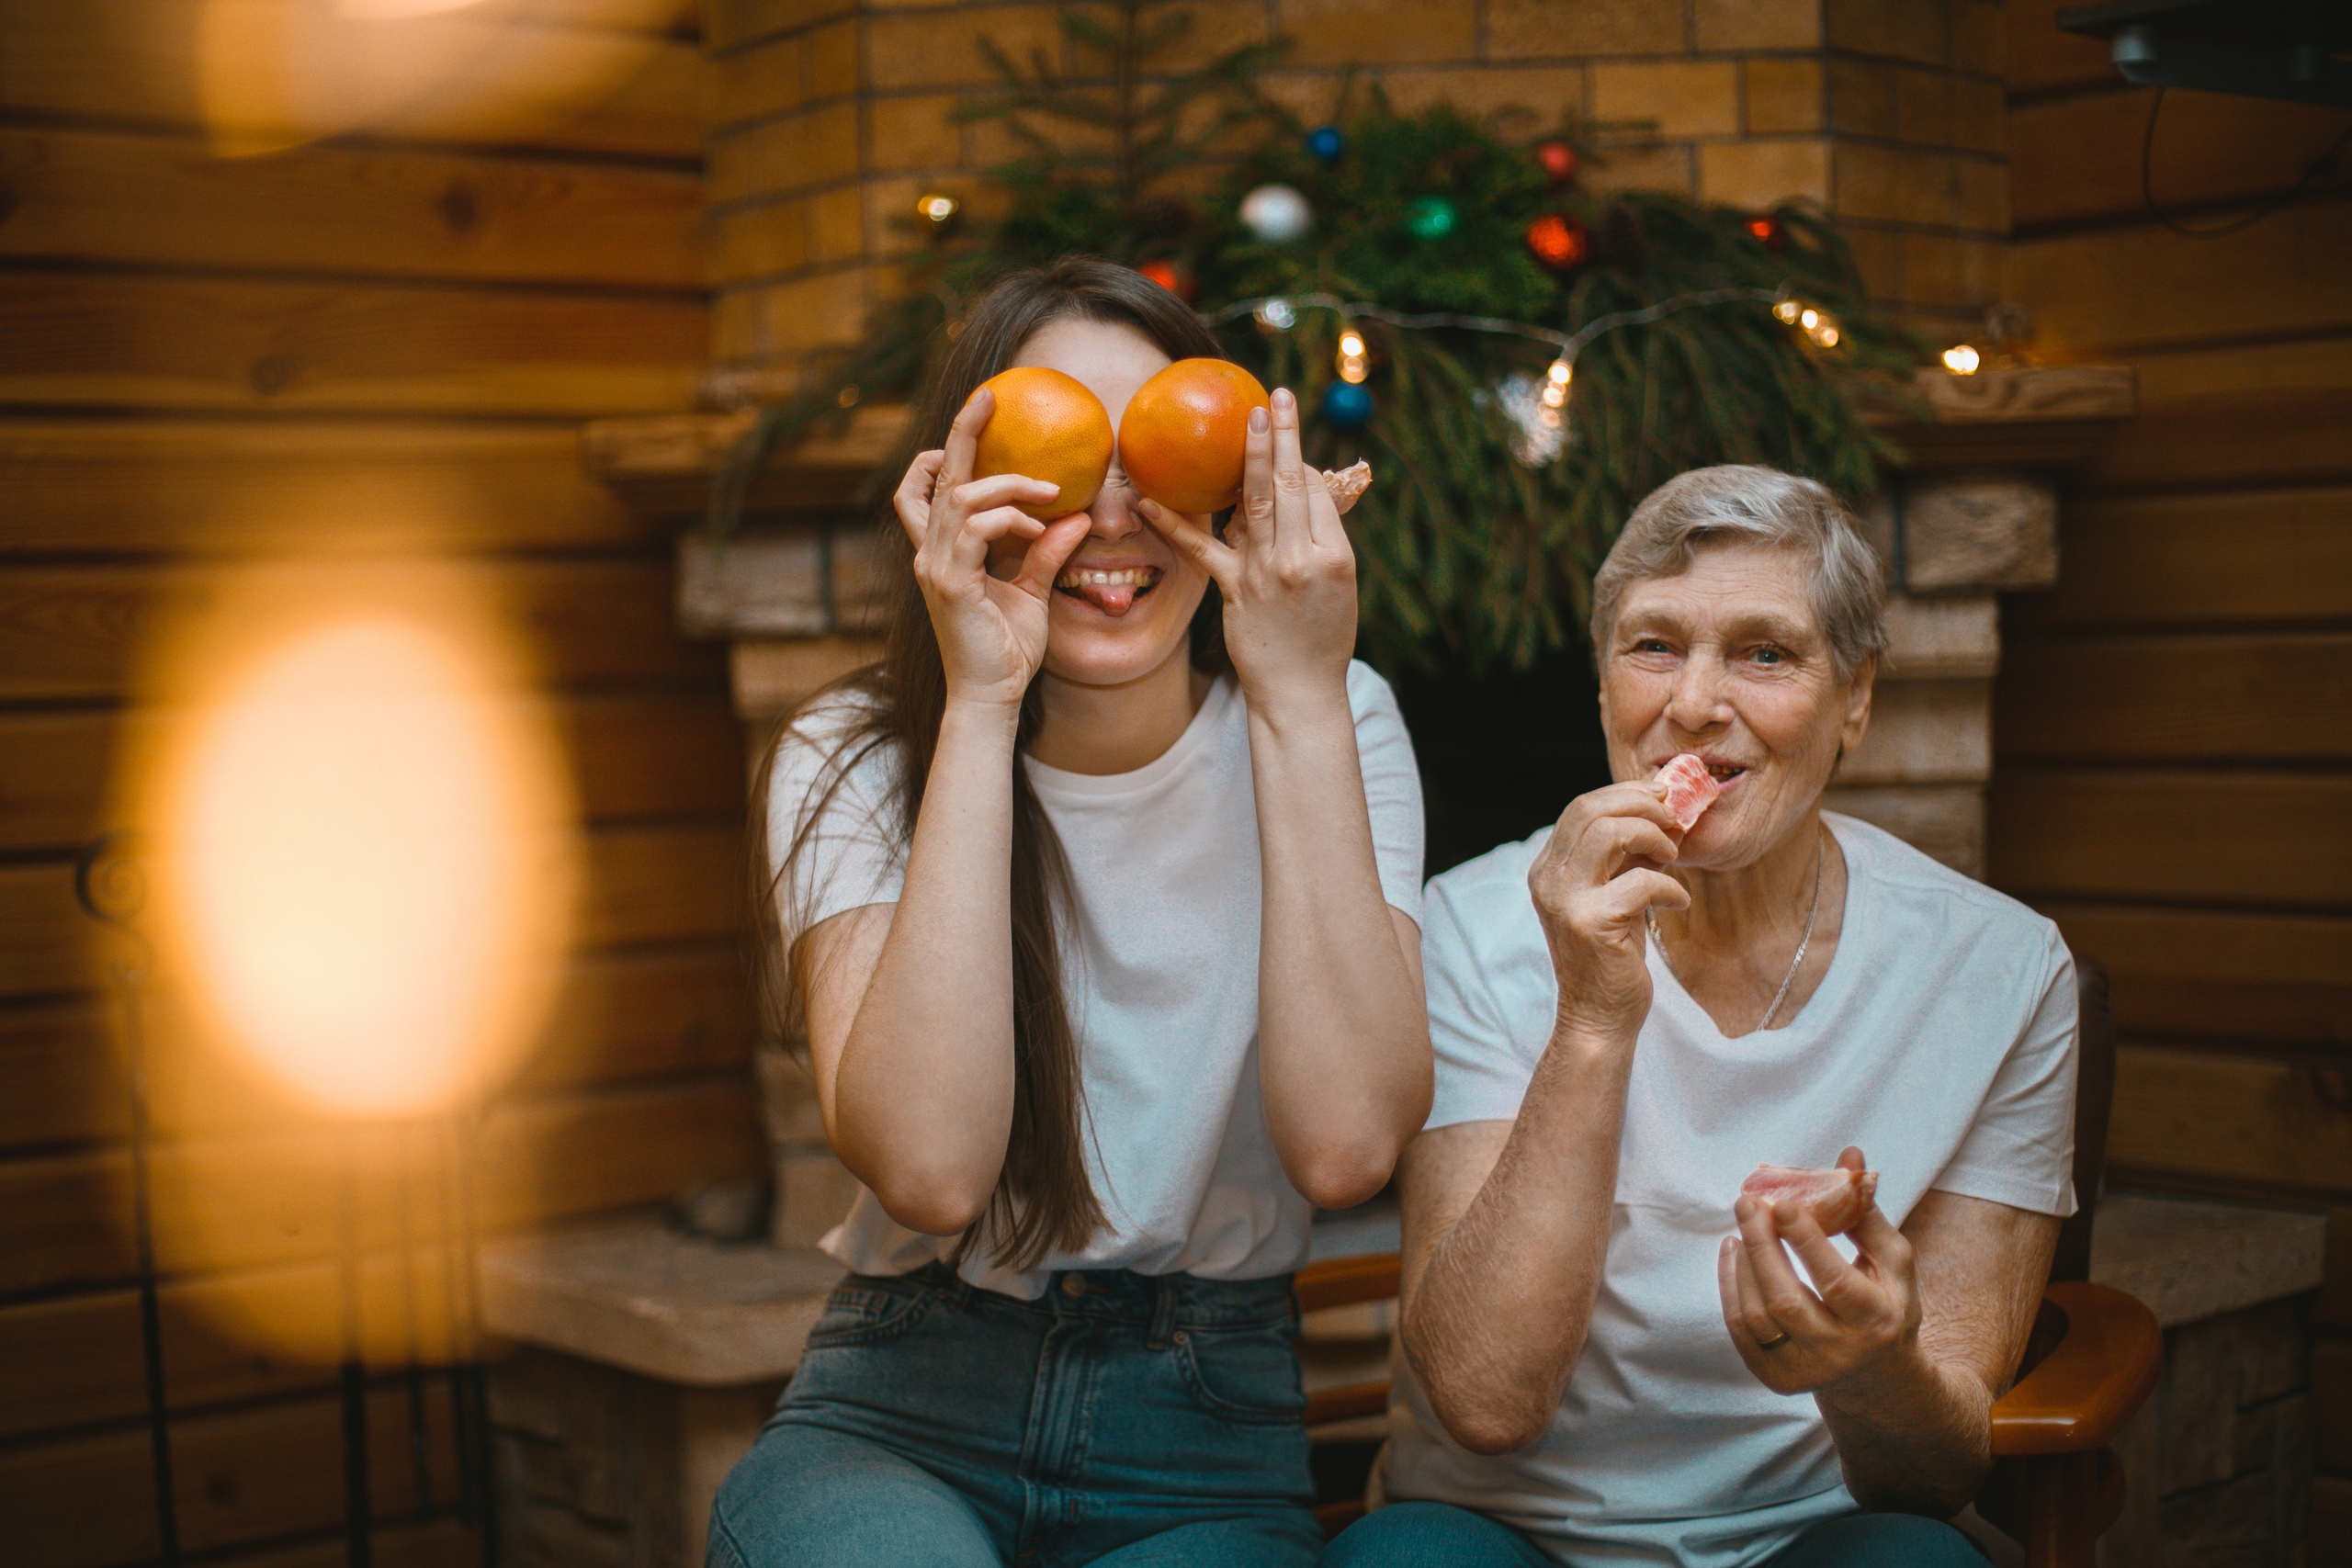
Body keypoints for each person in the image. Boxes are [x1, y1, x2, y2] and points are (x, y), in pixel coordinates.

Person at [707, 258, 1433, 1568]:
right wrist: (982, 703)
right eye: (1058, 453)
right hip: (904, 1401)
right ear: (961, 483)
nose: (1110, 514)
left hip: (1204, 1436)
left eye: (1155, 451)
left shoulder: (1333, 713)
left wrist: (1300, 696)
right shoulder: (855, 753)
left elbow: (1347, 1146)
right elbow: (929, 1169)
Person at [1329, 466, 2078, 1568]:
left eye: (1765, 654)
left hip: (1816, 1534)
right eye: (1653, 646)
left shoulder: (1999, 969)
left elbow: (1939, 1468)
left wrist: (1870, 1364)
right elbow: (1487, 1401)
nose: (1693, 704)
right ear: (1599, 688)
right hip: (1501, 1533)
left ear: (1855, 699)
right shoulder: (1471, 925)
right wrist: (1591, 1016)